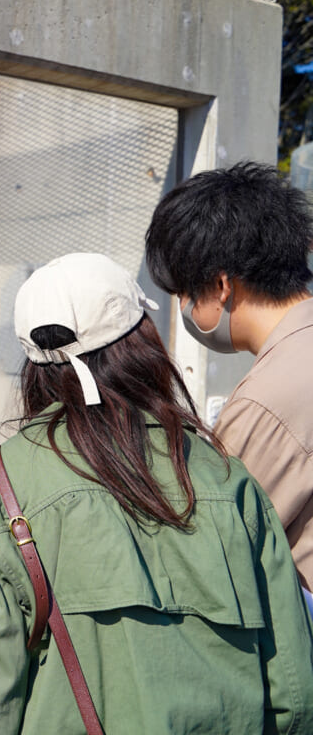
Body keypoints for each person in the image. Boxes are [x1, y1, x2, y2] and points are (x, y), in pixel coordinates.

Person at [0, 253, 313, 734]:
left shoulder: (2, 482)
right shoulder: (227, 478)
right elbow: (295, 696)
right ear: (142, 341)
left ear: (34, 362)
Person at [145, 161, 313, 597]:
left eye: (183, 292)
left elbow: (216, 547)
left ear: (221, 286)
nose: (182, 307)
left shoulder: (270, 399)